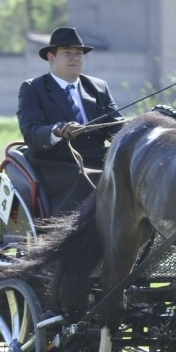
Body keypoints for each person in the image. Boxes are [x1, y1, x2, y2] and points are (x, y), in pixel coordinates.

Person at [16, 26, 124, 213]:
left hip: (98, 157)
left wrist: (142, 128)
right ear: (51, 57)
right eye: (67, 53)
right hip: (57, 162)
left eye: (79, 53)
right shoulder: (33, 88)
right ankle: (73, 235)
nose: (75, 58)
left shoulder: (98, 87)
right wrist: (57, 130)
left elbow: (117, 126)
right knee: (84, 178)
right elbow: (31, 132)